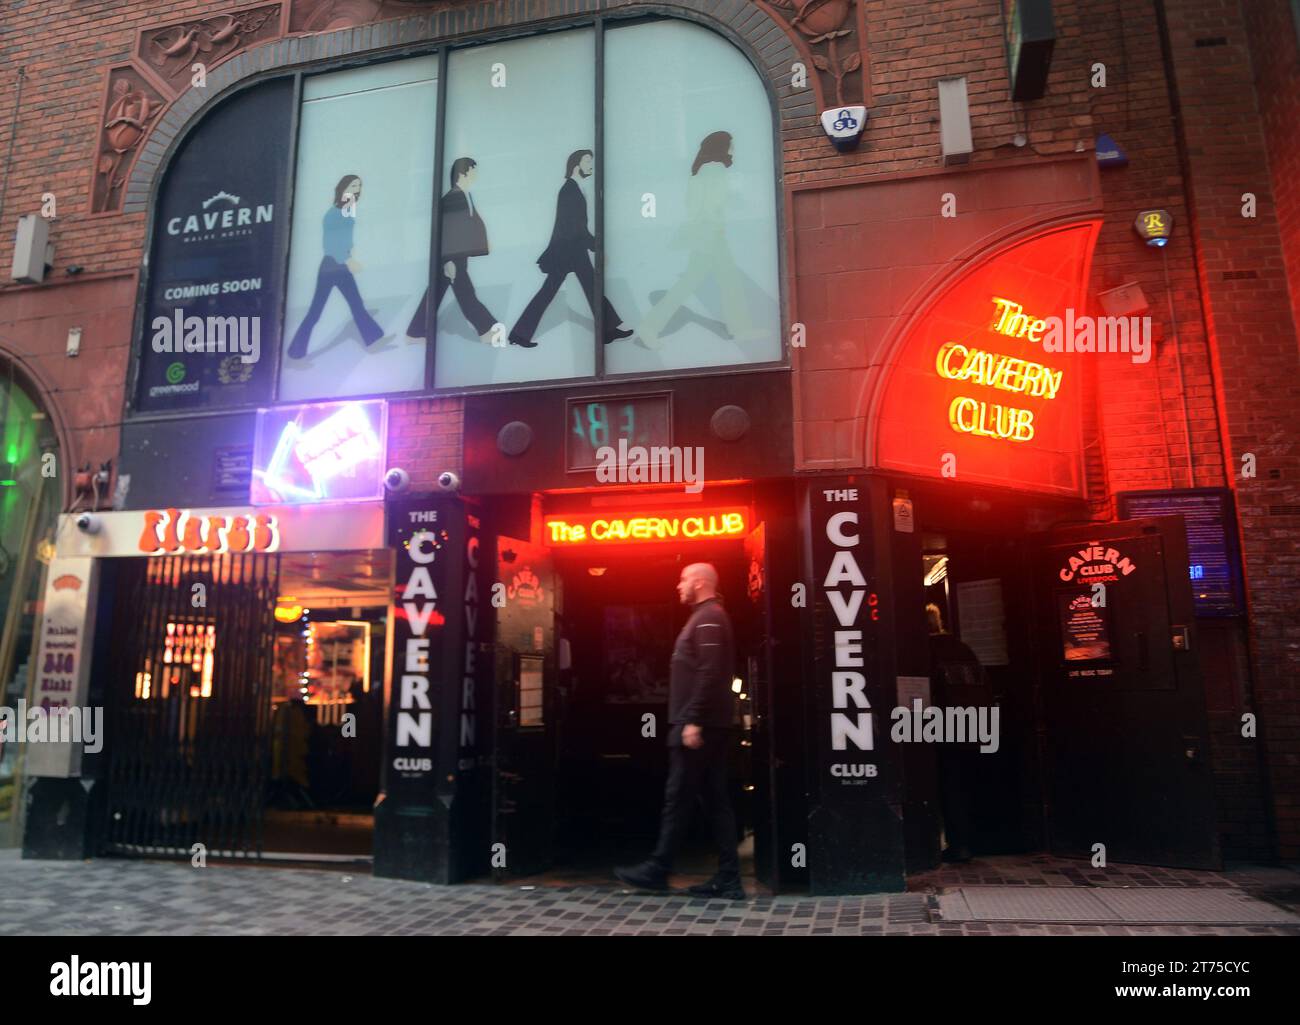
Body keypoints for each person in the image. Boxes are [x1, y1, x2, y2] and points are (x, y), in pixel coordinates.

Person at [615, 563, 743, 899]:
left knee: (678, 798)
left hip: (699, 725)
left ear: (700, 582)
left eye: (684, 579)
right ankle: (729, 878)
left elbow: (711, 671)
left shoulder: (710, 617)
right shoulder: (707, 616)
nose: (678, 585)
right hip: (706, 722)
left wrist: (693, 720)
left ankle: (658, 869)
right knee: (714, 799)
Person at [636, 131, 762, 351]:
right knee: (696, 282)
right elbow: (712, 204)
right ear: (722, 146)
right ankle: (649, 328)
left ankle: (740, 328)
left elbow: (694, 203)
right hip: (711, 234)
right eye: (731, 145)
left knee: (723, 280)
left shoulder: (701, 170)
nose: (733, 149)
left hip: (705, 233)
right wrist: (729, 207)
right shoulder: (716, 169)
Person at [508, 149, 633, 348]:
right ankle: (519, 334)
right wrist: (596, 247)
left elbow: (576, 227)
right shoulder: (569, 190)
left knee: (586, 288)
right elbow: (575, 227)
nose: (591, 165)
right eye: (587, 161)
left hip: (572, 250)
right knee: (554, 291)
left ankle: (608, 330)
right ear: (576, 165)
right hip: (568, 251)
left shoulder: (574, 189)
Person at [286, 174, 390, 359]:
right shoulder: (333, 214)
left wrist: (349, 256)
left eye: (358, 186)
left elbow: (344, 240)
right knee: (315, 313)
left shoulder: (348, 211)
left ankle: (373, 338)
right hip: (331, 267)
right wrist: (348, 259)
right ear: (343, 188)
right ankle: (295, 351)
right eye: (353, 186)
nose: (357, 189)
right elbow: (330, 244)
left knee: (356, 304)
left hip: (340, 266)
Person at [406, 157, 501, 344]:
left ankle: (415, 333)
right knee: (466, 293)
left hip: (456, 255)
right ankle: (487, 329)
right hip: (452, 256)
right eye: (473, 170)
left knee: (435, 293)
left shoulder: (465, 195)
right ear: (463, 173)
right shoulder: (453, 198)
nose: (476, 174)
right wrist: (448, 260)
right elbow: (448, 231)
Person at [926, 602, 988, 863]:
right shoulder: (963, 648)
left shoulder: (925, 650)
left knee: (945, 787)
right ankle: (968, 842)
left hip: (940, 727)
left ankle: (952, 844)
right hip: (971, 726)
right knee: (964, 785)